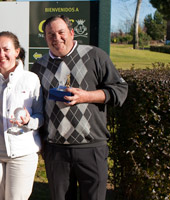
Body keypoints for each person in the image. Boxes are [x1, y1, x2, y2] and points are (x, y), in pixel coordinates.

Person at [31, 15, 128, 200]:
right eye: (50, 34)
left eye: (61, 32)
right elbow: (37, 107)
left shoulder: (95, 55)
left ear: (71, 32)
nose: (56, 37)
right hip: (56, 151)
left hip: (91, 147)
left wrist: (87, 96)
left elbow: (120, 90)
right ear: (45, 38)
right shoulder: (39, 66)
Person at [0, 31, 44, 200]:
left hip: (22, 153)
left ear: (17, 51)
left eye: (6, 49)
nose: (1, 55)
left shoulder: (31, 79)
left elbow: (41, 116)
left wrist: (29, 121)